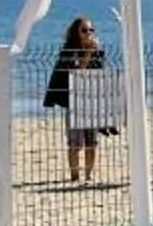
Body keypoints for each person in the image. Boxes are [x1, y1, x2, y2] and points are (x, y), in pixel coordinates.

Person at [41, 13, 111, 183]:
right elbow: (75, 73)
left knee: (92, 142)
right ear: (76, 33)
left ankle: (88, 175)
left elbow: (100, 75)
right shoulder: (68, 52)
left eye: (91, 30)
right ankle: (74, 175)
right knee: (75, 143)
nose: (89, 33)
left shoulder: (96, 52)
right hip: (74, 102)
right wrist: (87, 54)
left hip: (91, 101)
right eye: (85, 30)